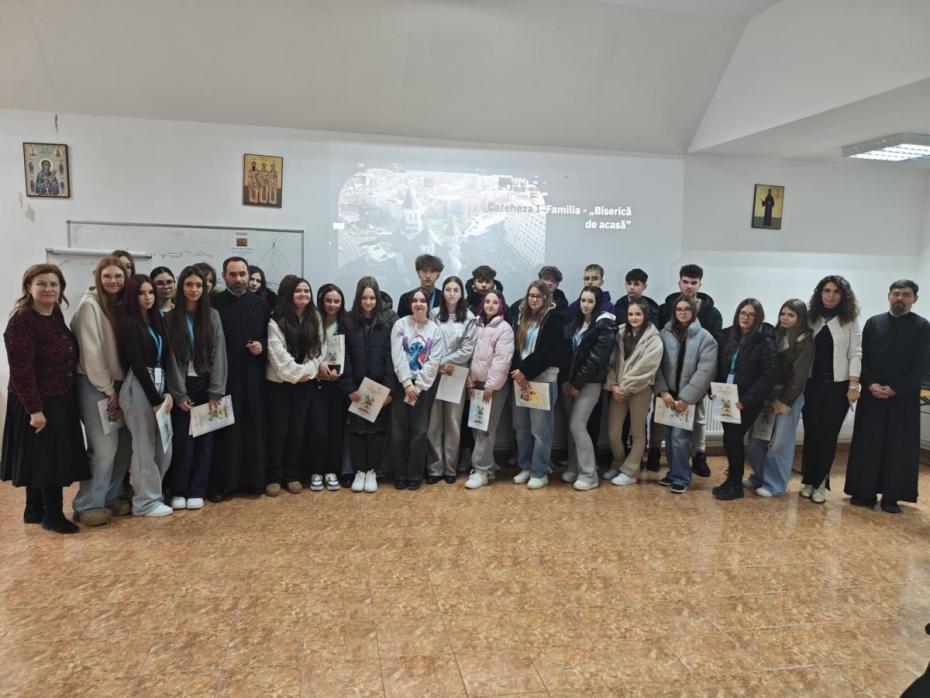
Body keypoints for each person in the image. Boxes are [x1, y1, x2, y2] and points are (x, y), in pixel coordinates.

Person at [1, 264, 87, 533]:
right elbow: (21, 371)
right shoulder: (22, 320)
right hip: (37, 400)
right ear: (29, 287)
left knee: (39, 456)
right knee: (49, 458)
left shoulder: (54, 313)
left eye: (54, 284)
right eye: (42, 284)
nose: (49, 289)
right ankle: (53, 515)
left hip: (59, 396)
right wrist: (35, 410)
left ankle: (33, 509)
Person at [844, 280, 930, 514]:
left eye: (906, 294)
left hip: (903, 398)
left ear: (915, 299)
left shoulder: (923, 326)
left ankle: (892, 496)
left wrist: (895, 388)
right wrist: (870, 383)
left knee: (898, 448)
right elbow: (862, 357)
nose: (900, 298)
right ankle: (864, 492)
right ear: (889, 296)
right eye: (896, 293)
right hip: (872, 395)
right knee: (868, 444)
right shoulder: (874, 323)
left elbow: (922, 364)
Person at [71, 256, 132, 527]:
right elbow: (91, 352)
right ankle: (88, 504)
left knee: (124, 447)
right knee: (104, 449)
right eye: (107, 276)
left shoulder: (120, 305)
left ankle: (112, 495)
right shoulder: (90, 305)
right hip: (97, 386)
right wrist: (108, 389)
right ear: (98, 276)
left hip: (121, 385)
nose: (113, 281)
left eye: (118, 276)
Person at [649, 264, 723, 475]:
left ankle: (698, 455)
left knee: (695, 421)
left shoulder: (712, 314)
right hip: (668, 379)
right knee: (661, 418)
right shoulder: (665, 309)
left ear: (700, 284)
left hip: (694, 380)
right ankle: (655, 451)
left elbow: (713, 353)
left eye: (694, 282)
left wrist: (699, 388)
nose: (689, 286)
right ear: (679, 282)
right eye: (685, 282)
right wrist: (662, 388)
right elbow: (659, 347)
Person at [165, 267, 227, 510]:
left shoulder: (213, 316)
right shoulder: (170, 318)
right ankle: (179, 490)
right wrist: (179, 393)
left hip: (207, 385)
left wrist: (216, 390)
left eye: (199, 285)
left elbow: (220, 354)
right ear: (181, 287)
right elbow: (170, 358)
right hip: (182, 386)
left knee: (205, 440)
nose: (194, 290)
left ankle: (197, 490)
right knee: (183, 441)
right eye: (189, 285)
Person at [208, 257, 269, 500]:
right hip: (223, 378)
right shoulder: (213, 304)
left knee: (253, 429)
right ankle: (224, 483)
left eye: (242, 274)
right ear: (224, 276)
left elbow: (270, 337)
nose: (239, 279)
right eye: (233, 274)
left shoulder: (261, 304)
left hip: (253, 378)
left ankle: (254, 481)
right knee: (224, 431)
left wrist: (262, 346)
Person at [800, 275, 861, 504]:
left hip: (838, 388)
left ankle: (821, 483)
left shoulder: (849, 320)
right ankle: (808, 480)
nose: (831, 295)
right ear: (820, 293)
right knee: (812, 434)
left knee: (828, 435)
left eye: (836, 291)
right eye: (827, 290)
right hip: (811, 386)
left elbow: (855, 353)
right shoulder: (811, 318)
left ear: (843, 296)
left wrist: (853, 385)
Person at [118, 275, 174, 516]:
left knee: (165, 447)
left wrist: (167, 392)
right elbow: (137, 364)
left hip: (159, 385)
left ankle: (154, 494)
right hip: (140, 387)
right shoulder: (128, 323)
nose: (148, 297)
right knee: (144, 447)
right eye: (141, 293)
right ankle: (144, 502)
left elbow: (165, 359)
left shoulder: (156, 320)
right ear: (132, 296)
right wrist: (154, 400)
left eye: (150, 292)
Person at [710, 299, 776, 501]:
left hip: (746, 402)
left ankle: (735, 484)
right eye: (742, 313)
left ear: (758, 318)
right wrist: (713, 390)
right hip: (726, 398)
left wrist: (746, 400)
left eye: (751, 315)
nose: (745, 318)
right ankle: (732, 479)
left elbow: (767, 376)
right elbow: (720, 366)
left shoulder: (765, 342)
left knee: (733, 439)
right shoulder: (729, 337)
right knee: (729, 439)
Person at [265, 276, 324, 496]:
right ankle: (274, 477)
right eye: (298, 291)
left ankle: (292, 475)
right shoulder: (275, 319)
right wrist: (298, 374)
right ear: (290, 294)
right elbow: (277, 355)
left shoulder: (314, 317)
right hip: (279, 383)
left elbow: (319, 351)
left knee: (297, 430)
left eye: (307, 291)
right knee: (278, 430)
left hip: (305, 384)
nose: (303, 295)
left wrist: (306, 372)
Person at [746, 299, 813, 497]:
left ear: (800, 318)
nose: (785, 318)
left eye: (791, 315)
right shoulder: (774, 334)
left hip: (789, 398)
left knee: (779, 443)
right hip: (767, 394)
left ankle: (774, 485)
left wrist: (784, 401)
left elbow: (799, 378)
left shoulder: (805, 342)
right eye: (783, 314)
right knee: (757, 438)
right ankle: (759, 476)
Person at [653, 295, 717, 494]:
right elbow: (656, 364)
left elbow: (706, 370)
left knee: (680, 438)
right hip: (667, 396)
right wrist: (663, 391)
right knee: (669, 436)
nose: (682, 312)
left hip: (687, 398)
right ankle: (673, 472)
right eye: (679, 309)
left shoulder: (705, 338)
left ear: (693, 312)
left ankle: (681, 477)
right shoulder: (664, 333)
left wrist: (687, 398)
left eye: (687, 309)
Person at [341, 277, 396, 493]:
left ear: (377, 298)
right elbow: (344, 355)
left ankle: (371, 471)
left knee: (376, 431)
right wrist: (348, 387)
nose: (368, 302)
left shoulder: (387, 321)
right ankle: (359, 472)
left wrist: (389, 388)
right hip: (356, 388)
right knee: (357, 430)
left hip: (378, 388)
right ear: (358, 298)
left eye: (372, 298)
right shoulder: (348, 320)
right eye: (364, 297)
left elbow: (392, 355)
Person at [511, 280, 567, 489]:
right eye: (531, 295)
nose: (534, 300)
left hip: (542, 378)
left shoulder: (554, 319)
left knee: (540, 429)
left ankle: (540, 471)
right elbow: (516, 349)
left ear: (546, 298)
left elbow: (550, 351)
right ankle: (525, 466)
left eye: (538, 296)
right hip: (520, 379)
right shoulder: (522, 318)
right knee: (522, 427)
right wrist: (518, 372)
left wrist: (525, 370)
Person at [560, 286, 617, 491]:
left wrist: (576, 384)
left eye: (590, 301)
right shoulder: (575, 323)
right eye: (583, 300)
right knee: (571, 428)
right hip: (569, 382)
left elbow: (595, 359)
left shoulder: (605, 325)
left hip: (590, 383)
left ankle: (589, 475)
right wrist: (567, 381)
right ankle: (574, 467)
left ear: (597, 303)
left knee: (578, 425)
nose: (585, 305)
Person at [603, 298, 663, 486]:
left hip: (640, 390)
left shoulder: (654, 338)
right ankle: (618, 463)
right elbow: (610, 362)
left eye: (638, 314)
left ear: (645, 315)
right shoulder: (619, 333)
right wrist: (613, 385)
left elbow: (647, 367)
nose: (634, 317)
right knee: (613, 432)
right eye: (630, 314)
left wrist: (626, 386)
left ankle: (630, 471)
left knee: (637, 432)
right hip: (618, 390)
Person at [390, 288, 444, 489]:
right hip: (401, 385)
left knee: (419, 432)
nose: (419, 304)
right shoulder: (400, 325)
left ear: (428, 305)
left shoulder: (434, 330)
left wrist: (418, 387)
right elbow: (397, 355)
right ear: (410, 304)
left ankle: (414, 475)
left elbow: (433, 361)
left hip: (423, 387)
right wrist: (407, 383)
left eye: (422, 301)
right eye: (415, 300)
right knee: (398, 432)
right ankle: (399, 474)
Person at [426, 276, 477, 484]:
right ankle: (434, 468)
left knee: (453, 424)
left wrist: (443, 361)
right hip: (434, 374)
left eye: (456, 290)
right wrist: (436, 364)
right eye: (448, 289)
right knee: (434, 423)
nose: (452, 293)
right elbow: (428, 340)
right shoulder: (434, 314)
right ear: (443, 292)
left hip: (455, 374)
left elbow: (467, 350)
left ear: (461, 293)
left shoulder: (469, 317)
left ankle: (450, 468)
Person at [464, 290, 514, 489]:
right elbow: (468, 354)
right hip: (475, 384)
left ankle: (481, 472)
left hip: (492, 387)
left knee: (485, 429)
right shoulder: (475, 324)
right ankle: (489, 466)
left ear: (501, 305)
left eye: (495, 302)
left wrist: (490, 386)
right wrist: (469, 382)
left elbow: (502, 360)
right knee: (477, 426)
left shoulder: (504, 329)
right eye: (487, 301)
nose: (490, 305)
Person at [306, 283, 348, 491]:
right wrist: (319, 365)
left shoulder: (346, 323)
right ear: (321, 301)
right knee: (319, 430)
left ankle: (332, 470)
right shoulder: (313, 321)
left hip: (339, 385)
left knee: (336, 430)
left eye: (337, 301)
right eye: (328, 301)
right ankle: (316, 471)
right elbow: (306, 349)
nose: (332, 305)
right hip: (317, 384)